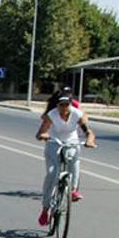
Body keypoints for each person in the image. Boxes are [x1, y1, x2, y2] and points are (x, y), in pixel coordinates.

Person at [36, 88, 96, 226]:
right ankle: (45, 209)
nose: (63, 108)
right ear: (57, 105)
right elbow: (40, 132)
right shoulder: (51, 115)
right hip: (54, 143)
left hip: (71, 143)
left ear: (70, 105)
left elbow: (89, 132)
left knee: (74, 166)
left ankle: (73, 190)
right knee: (51, 174)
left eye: (66, 105)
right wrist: (43, 135)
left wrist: (89, 140)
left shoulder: (77, 115)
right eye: (61, 105)